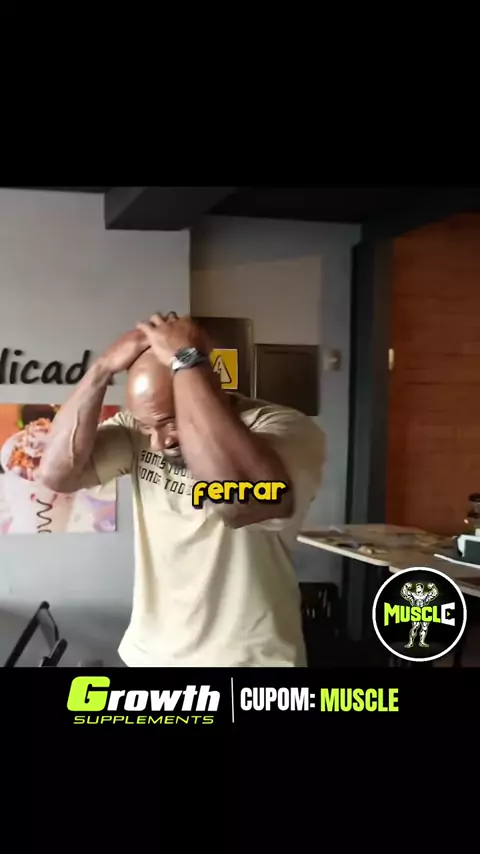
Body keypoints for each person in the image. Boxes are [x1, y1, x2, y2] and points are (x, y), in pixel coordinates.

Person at [37, 313, 324, 667]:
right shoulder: (138, 433)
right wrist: (102, 369)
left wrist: (187, 360)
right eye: (147, 427)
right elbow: (56, 475)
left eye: (169, 422)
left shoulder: (282, 428)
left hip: (247, 661)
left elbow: (237, 502)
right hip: (150, 656)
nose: (158, 442)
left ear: (209, 381)